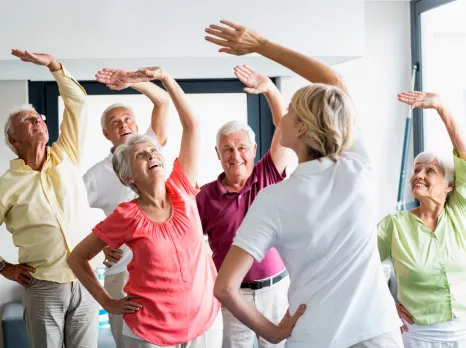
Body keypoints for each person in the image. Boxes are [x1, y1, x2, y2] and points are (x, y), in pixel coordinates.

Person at [206, 21, 403, 348]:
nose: (282, 116)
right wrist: (262, 44)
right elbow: (334, 81)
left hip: (313, 338)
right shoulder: (358, 167)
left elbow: (225, 287)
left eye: (291, 111)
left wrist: (272, 332)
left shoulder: (272, 199)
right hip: (376, 334)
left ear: (301, 130)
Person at [68, 66, 222, 348]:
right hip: (150, 332)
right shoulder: (126, 214)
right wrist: (106, 301)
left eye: (154, 151)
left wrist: (164, 77)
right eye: (142, 154)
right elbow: (76, 257)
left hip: (203, 323)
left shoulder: (181, 186)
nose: (153, 154)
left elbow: (193, 124)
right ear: (128, 176)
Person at [0, 49, 98, 348]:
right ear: (13, 139)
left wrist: (54, 66)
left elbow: (78, 102)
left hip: (87, 279)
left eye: (39, 117)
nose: (38, 121)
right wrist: (4, 267)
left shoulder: (66, 154)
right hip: (42, 285)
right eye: (28, 120)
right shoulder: (7, 184)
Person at [195, 63, 290, 348]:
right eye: (228, 149)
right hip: (233, 295)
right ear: (218, 154)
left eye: (242, 148)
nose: (236, 155)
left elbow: (284, 129)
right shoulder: (205, 197)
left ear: (254, 151)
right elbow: (183, 240)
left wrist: (271, 91)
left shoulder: (268, 174)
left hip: (276, 290)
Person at [377, 91, 466, 348]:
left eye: (429, 171)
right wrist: (385, 304)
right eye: (416, 170)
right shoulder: (394, 224)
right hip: (420, 336)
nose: (419, 175)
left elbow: (465, 156)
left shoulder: (462, 211)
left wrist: (441, 108)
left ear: (449, 186)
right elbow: (361, 264)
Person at [83, 68, 170, 348]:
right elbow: (68, 214)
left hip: (159, 265)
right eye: (115, 122)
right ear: (106, 133)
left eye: (127, 118)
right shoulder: (96, 175)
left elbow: (163, 101)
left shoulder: (150, 147)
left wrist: (134, 82)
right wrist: (99, 245)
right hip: (121, 273)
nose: (123, 125)